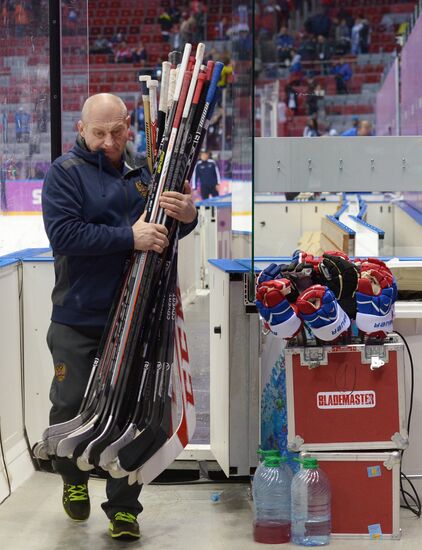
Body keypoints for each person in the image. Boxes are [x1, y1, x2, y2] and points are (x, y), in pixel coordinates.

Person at [41, 93, 197, 540]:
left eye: (116, 132)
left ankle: (124, 507)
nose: (108, 142)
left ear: (129, 127)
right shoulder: (64, 174)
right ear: (81, 129)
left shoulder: (147, 173)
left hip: (137, 315)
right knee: (71, 402)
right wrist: (128, 237)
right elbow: (65, 234)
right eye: (98, 133)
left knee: (134, 412)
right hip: (78, 315)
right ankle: (72, 478)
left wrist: (188, 215)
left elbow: (169, 227)